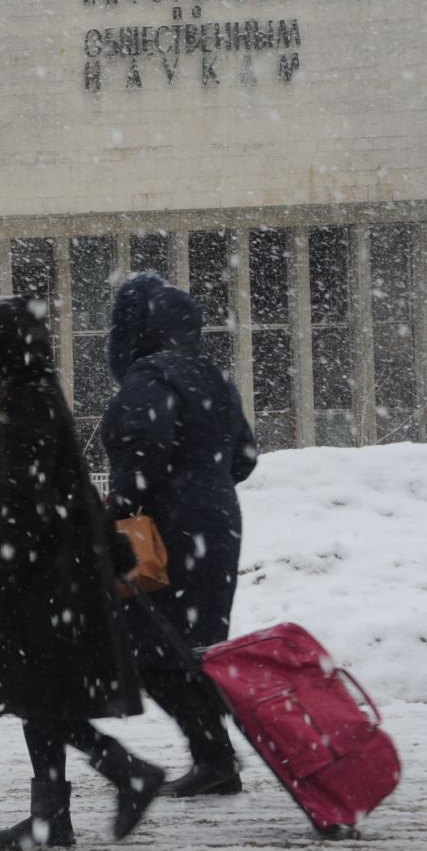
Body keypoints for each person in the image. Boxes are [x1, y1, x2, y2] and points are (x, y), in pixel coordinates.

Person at [0, 296, 165, 851]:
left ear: (2, 352)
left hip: (41, 583)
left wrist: (2, 563)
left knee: (42, 700)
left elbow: (30, 504)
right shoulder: (36, 400)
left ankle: (125, 775)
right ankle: (54, 815)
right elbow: (69, 492)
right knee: (40, 699)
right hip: (51, 577)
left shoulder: (29, 408)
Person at [102, 273, 261, 798]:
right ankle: (217, 755)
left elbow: (142, 452)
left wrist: (123, 508)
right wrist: (206, 486)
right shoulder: (214, 378)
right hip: (217, 522)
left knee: (153, 649)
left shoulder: (150, 379)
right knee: (190, 645)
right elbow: (244, 455)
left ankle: (216, 753)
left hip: (167, 530)